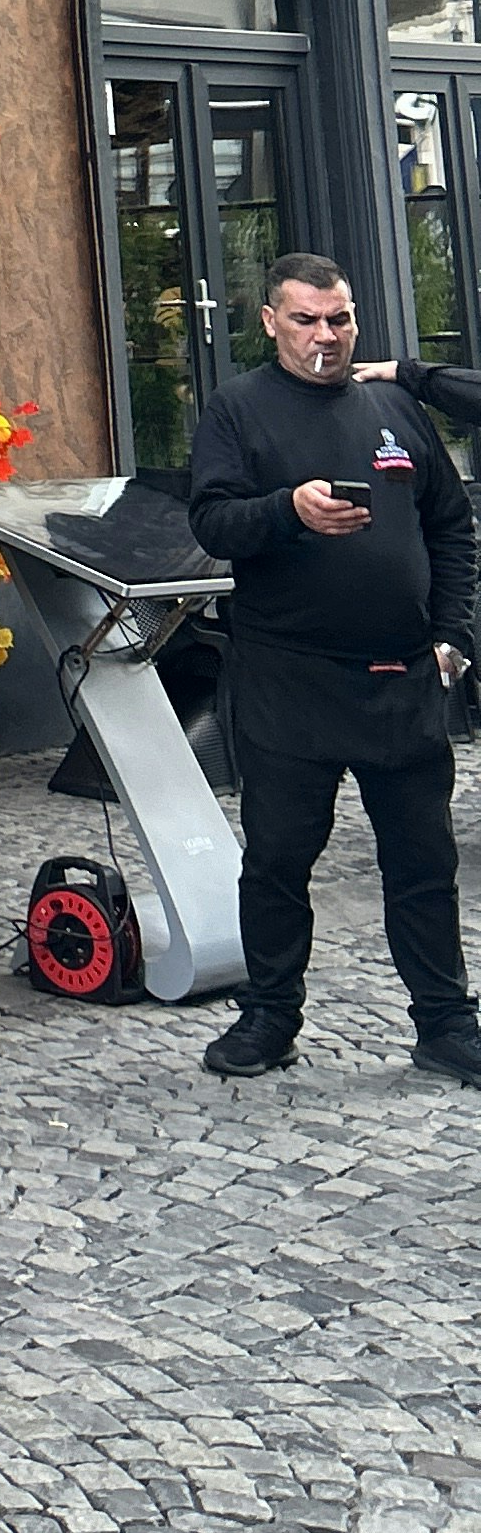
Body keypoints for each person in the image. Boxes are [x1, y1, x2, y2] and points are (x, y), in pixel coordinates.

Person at [185, 249, 481, 1081]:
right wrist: (290, 510)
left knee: (424, 862)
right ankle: (269, 1019)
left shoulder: (393, 406)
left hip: (404, 677)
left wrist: (454, 634)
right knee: (278, 859)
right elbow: (212, 523)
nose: (327, 335)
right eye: (308, 319)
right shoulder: (237, 408)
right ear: (272, 321)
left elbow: (452, 527)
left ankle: (446, 1023)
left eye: (340, 318)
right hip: (289, 679)